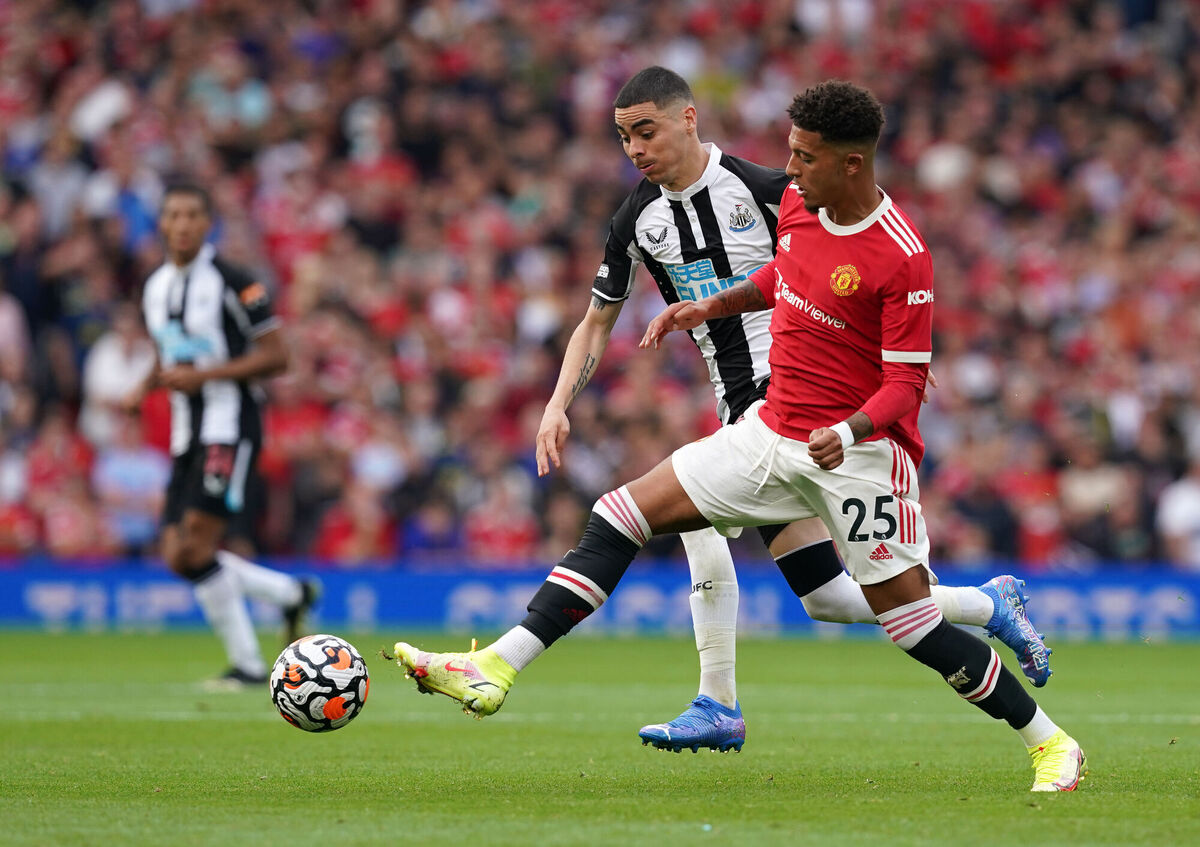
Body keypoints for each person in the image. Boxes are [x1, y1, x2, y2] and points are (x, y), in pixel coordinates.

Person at [392, 80, 1087, 792]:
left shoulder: (895, 250)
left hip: (855, 453)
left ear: (847, 163)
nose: (789, 167)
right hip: (766, 426)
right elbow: (786, 275)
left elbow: (907, 383)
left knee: (904, 622)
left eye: (804, 157)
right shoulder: (784, 204)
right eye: (788, 153)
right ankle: (500, 666)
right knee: (625, 515)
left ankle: (1050, 739)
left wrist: (855, 422)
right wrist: (709, 306)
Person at [528, 67, 1049, 753]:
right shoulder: (636, 217)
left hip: (796, 401)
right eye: (623, 136)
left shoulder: (778, 192)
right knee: (829, 599)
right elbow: (600, 318)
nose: (634, 148)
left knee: (683, 518)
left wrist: (851, 409)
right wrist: (557, 402)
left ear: (689, 118)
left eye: (645, 131)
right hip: (749, 405)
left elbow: (841, 267)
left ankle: (716, 700)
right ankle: (986, 604)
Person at [126, 182, 317, 689]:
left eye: (192, 214)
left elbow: (279, 356)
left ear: (208, 222)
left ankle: (250, 666)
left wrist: (205, 377)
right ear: (162, 223)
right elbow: (169, 350)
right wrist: (141, 387)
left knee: (194, 549)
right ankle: (290, 595)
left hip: (230, 428)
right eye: (173, 215)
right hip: (187, 433)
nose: (183, 224)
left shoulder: (236, 281)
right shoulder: (156, 286)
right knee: (176, 555)